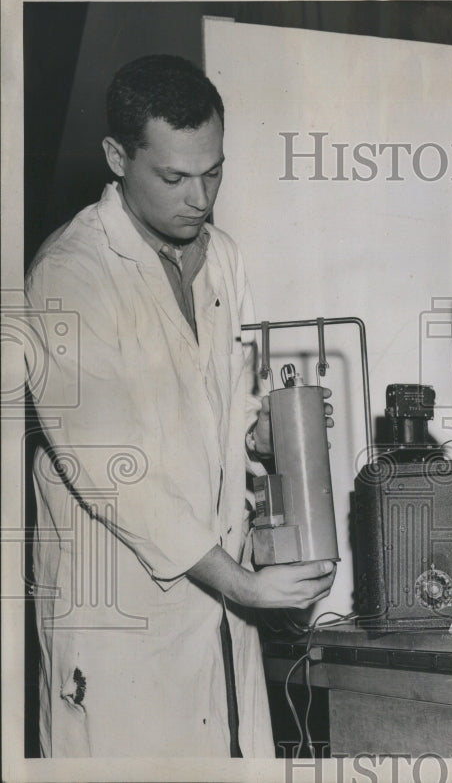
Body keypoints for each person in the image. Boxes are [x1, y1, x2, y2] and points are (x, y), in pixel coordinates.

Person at [24, 54, 336, 758]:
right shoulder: (69, 277)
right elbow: (119, 478)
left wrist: (273, 434)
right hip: (120, 619)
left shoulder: (221, 258)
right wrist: (247, 586)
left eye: (214, 171)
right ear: (116, 157)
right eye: (174, 177)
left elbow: (228, 414)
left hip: (217, 617)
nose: (201, 198)